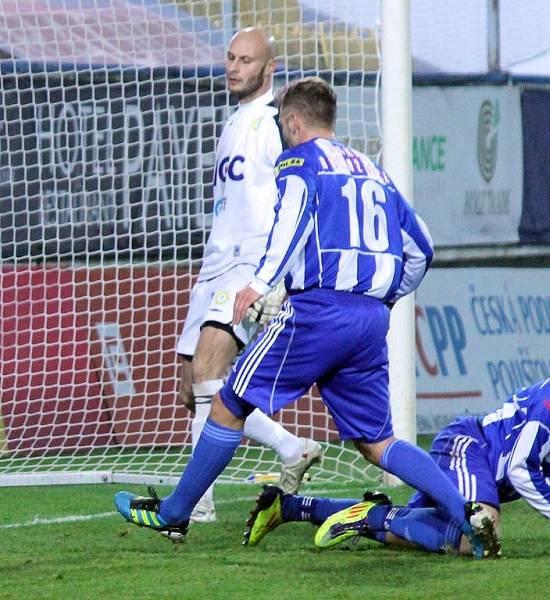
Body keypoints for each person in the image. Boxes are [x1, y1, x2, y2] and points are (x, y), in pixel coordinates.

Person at [114, 77, 499, 558]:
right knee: (378, 441)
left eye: (282, 124)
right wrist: (386, 300)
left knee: (228, 401)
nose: (282, 132)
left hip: (318, 311)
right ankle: (467, 515)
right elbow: (422, 247)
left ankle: (174, 513)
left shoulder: (301, 160)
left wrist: (260, 281)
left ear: (294, 121)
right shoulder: (374, 171)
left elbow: (292, 217)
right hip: (369, 319)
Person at [241, 307, 550, 556]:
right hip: (471, 448)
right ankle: (375, 514)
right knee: (479, 538)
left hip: (490, 477)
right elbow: (521, 468)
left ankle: (291, 506)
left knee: (445, 532)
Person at [174, 28, 321, 523]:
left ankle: (197, 504)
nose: (234, 67)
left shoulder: (276, 124)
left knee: (211, 373)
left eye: (246, 60)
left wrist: (273, 274)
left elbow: (300, 188)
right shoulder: (234, 121)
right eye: (231, 58)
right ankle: (293, 446)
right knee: (192, 386)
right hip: (215, 262)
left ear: (269, 68)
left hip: (248, 266)